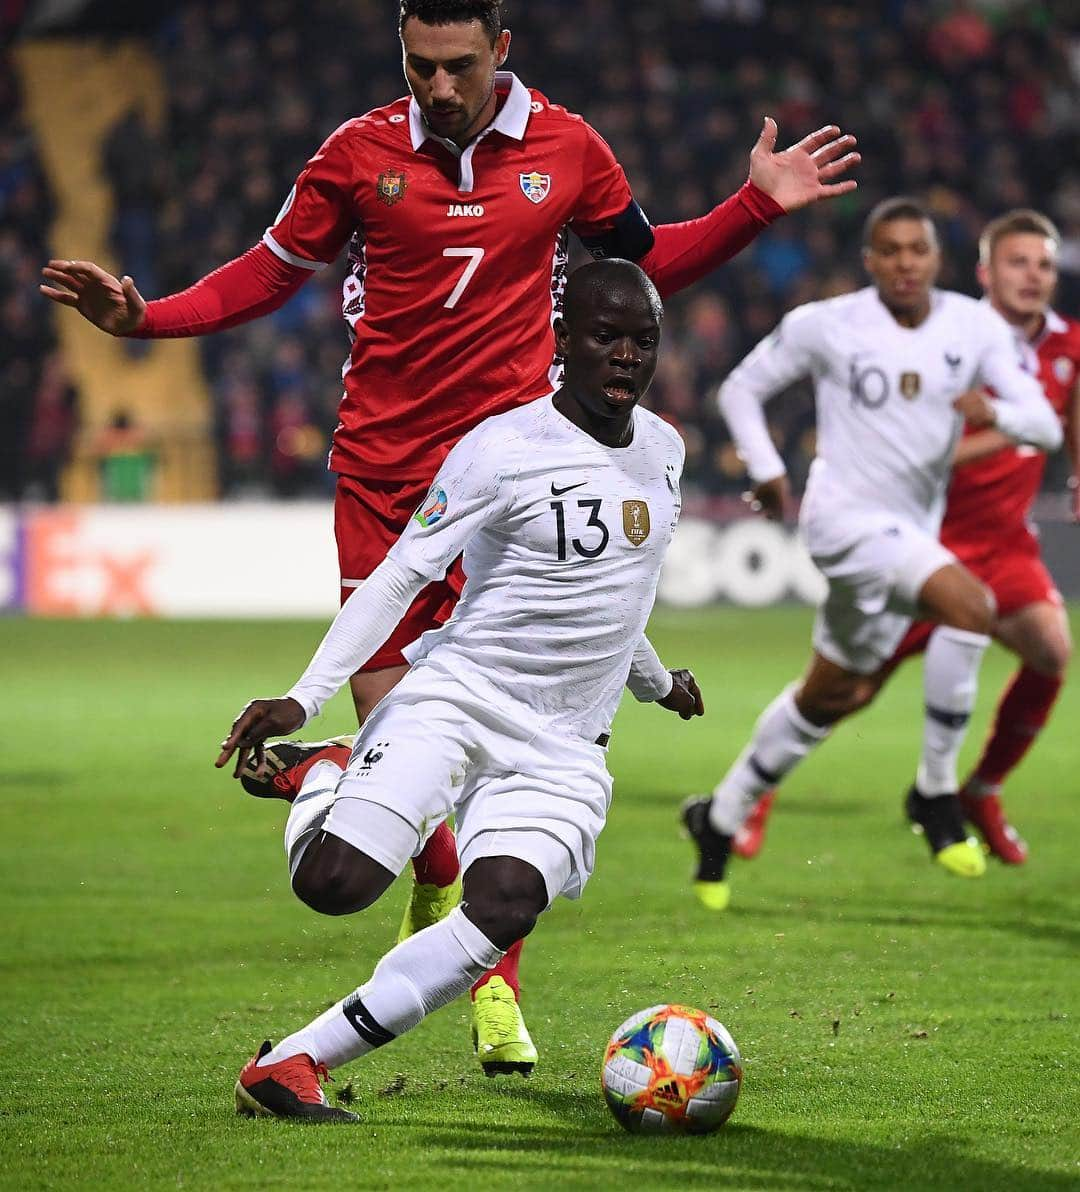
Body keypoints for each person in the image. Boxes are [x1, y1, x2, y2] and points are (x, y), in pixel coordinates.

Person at [39, 0, 857, 1070]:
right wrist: (151, 318)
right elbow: (269, 270)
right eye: (420, 65)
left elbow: (640, 273)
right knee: (413, 770)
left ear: (501, 52)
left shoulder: (568, 149)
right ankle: (350, 779)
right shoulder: (357, 156)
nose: (439, 87)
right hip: (384, 486)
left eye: (459, 65)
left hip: (515, 488)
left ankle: (492, 991)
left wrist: (754, 204)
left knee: (502, 774)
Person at [214, 260, 703, 1122]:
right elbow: (400, 578)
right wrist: (306, 697)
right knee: (332, 886)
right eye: (604, 337)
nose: (625, 357)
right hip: (461, 698)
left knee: (505, 905)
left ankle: (291, 1064)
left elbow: (615, 601)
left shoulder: (665, 454)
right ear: (562, 339)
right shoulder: (500, 449)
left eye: (642, 341)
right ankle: (328, 770)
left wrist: (661, 686)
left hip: (564, 747)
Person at [681, 197, 1063, 911]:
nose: (905, 264)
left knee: (831, 695)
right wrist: (765, 467)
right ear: (871, 262)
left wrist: (999, 414)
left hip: (911, 530)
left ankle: (720, 816)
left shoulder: (971, 326)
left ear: (936, 259)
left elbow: (1042, 423)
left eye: (917, 250)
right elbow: (743, 388)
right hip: (842, 520)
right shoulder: (829, 326)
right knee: (971, 606)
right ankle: (936, 792)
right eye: (890, 252)